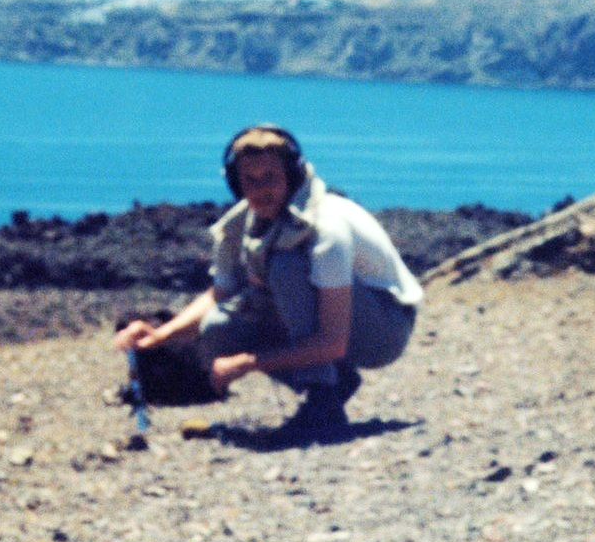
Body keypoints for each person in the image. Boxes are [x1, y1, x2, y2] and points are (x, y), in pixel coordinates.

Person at [115, 126, 422, 439]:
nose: (262, 189)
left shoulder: (326, 228)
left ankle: (323, 398)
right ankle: (336, 380)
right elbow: (219, 295)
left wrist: (248, 362)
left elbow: (333, 342)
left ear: (291, 175)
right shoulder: (241, 226)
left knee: (286, 268)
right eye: (250, 179)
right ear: (236, 183)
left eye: (271, 177)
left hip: (385, 328)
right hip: (344, 327)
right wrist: (159, 336)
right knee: (220, 328)